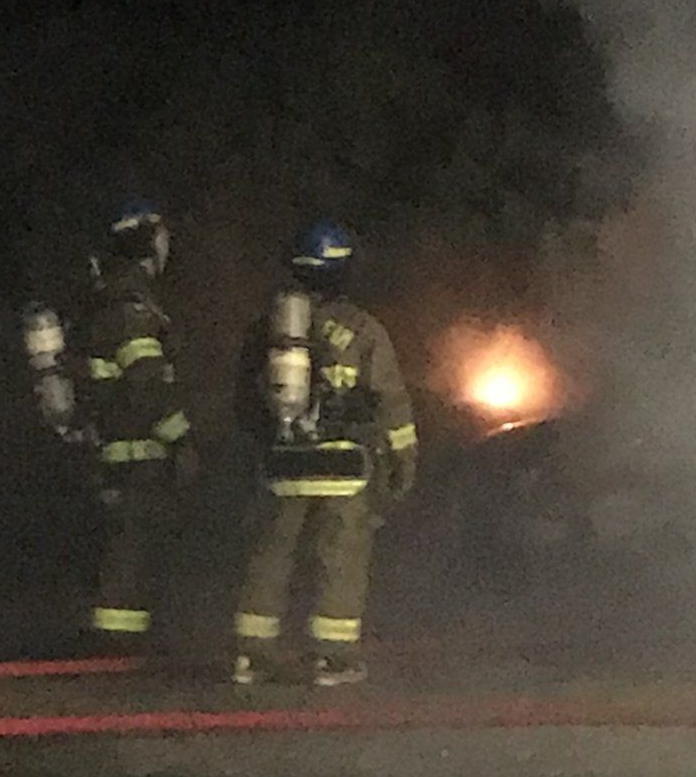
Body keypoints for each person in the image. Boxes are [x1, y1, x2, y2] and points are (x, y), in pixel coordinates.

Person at [232, 219, 417, 686]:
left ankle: (250, 655)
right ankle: (332, 658)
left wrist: (265, 442)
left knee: (271, 557)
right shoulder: (363, 329)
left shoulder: (270, 328)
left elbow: (245, 399)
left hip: (286, 461)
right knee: (341, 560)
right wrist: (403, 462)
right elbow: (390, 401)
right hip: (343, 467)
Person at [27, 199, 193, 648]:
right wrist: (182, 438)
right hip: (138, 451)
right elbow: (146, 386)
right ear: (146, 243)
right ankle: (117, 649)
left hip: (105, 446)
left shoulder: (103, 299)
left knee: (115, 545)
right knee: (132, 546)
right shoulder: (134, 308)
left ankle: (114, 641)